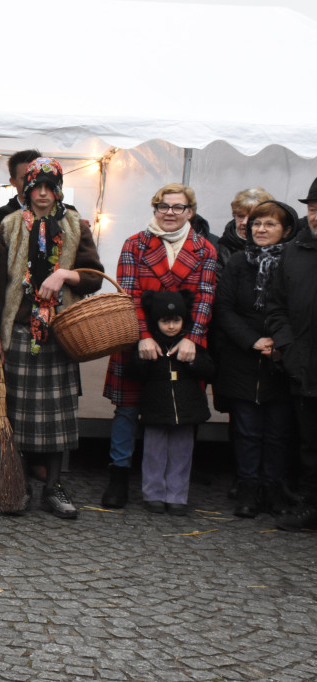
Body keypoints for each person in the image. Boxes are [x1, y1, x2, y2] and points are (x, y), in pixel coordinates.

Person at [0, 158, 103, 518]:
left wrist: (66, 275)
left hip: (59, 333)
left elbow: (95, 276)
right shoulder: (7, 227)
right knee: (16, 416)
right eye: (35, 187)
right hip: (17, 332)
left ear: (58, 190)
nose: (41, 194)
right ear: (25, 189)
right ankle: (15, 483)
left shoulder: (74, 225)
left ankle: (53, 487)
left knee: (57, 418)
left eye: (48, 187)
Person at [101, 183, 218, 508]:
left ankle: (174, 488)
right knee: (126, 410)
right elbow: (129, 296)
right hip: (137, 339)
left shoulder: (205, 249)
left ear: (190, 212)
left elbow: (205, 300)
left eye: (177, 207)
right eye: (163, 206)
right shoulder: (134, 245)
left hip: (185, 346)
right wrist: (145, 336)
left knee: (181, 413)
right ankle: (119, 477)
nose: (169, 212)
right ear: (155, 209)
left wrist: (192, 339)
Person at [214, 200, 297, 517]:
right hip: (242, 358)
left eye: (270, 224)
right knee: (247, 431)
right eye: (257, 224)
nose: (261, 230)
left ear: (285, 230)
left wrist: (280, 342)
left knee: (278, 432)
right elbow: (224, 309)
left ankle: (272, 489)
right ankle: (247, 489)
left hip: (282, 358)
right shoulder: (237, 262)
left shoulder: (295, 262)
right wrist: (253, 341)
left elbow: (301, 309)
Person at [134, 290, 214, 515]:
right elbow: (134, 372)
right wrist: (144, 360)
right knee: (154, 454)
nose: (171, 326)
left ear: (184, 320)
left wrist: (192, 361)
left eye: (176, 321)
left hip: (187, 411)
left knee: (182, 454)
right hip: (156, 409)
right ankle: (154, 494)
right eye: (165, 321)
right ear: (155, 321)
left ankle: (178, 495)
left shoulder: (192, 345)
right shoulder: (149, 345)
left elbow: (210, 370)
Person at [265, 191, 317, 531]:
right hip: (306, 365)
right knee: (310, 443)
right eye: (313, 210)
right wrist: (289, 344)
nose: (316, 217)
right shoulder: (293, 253)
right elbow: (275, 305)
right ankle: (311, 508)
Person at [215, 188, 275, 277]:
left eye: (252, 217)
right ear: (233, 214)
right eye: (240, 216)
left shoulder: (276, 249)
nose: (244, 222)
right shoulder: (220, 249)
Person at [0, 149, 41, 232]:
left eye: (36, 177)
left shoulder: (62, 215)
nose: (31, 183)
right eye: (25, 178)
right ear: (13, 182)